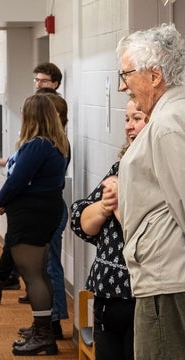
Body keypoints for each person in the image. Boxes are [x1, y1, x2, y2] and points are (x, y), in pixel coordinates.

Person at [0, 86, 70, 340]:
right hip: (42, 211)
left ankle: (44, 335)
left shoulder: (38, 145)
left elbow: (18, 180)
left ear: (32, 117)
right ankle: (41, 329)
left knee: (34, 276)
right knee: (39, 274)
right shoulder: (53, 144)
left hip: (32, 215)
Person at [116, 23, 185, 360]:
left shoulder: (167, 124)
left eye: (126, 73)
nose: (121, 85)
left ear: (155, 75)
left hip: (168, 279)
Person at [70, 100, 147, 360]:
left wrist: (116, 207)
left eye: (137, 118)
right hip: (104, 295)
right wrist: (104, 206)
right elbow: (81, 222)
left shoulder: (160, 174)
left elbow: (142, 234)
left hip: (141, 299)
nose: (129, 126)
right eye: (126, 119)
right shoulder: (120, 167)